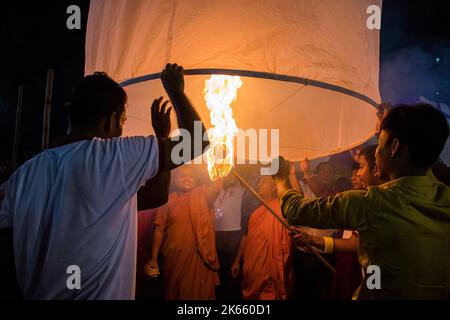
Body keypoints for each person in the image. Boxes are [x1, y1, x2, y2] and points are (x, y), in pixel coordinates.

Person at [0, 64, 210, 300]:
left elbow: (155, 196)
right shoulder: (113, 157)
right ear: (110, 120)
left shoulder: (21, 177)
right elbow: (195, 141)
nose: (121, 130)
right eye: (122, 121)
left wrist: (161, 138)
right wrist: (176, 91)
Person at [276, 103, 450, 299]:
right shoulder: (444, 196)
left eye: (380, 142)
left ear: (394, 147)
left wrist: (280, 179)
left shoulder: (372, 204)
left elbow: (297, 210)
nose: (376, 152)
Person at [145, 165, 221, 300]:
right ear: (175, 180)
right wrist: (153, 258)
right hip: (173, 258)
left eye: (190, 176)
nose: (186, 179)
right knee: (173, 292)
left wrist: (221, 167)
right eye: (182, 176)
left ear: (196, 180)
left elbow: (215, 189)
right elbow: (159, 229)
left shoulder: (202, 194)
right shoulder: (167, 200)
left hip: (197, 258)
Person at [231, 176, 294, 300]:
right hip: (254, 267)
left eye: (263, 182)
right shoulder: (255, 212)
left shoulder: (282, 207)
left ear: (273, 187)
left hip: (272, 268)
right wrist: (237, 261)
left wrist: (291, 175)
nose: (259, 184)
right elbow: (246, 237)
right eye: (259, 181)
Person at [214, 174, 245, 300]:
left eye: (232, 173)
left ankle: (233, 298)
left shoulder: (243, 190)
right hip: (218, 234)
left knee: (233, 271)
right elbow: (216, 210)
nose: (229, 176)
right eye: (227, 175)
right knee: (220, 271)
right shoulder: (220, 191)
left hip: (235, 234)